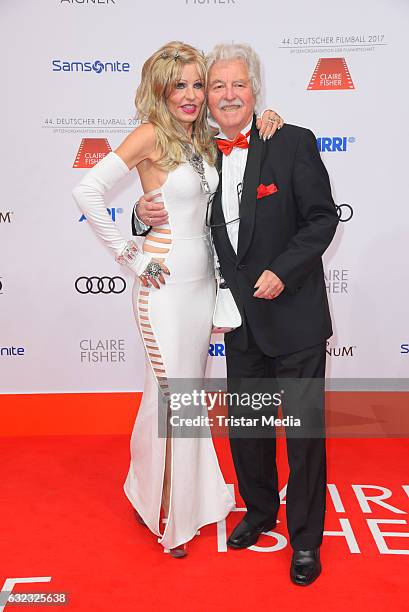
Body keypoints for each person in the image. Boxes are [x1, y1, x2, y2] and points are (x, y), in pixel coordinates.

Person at [134, 42, 338, 584]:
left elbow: (321, 219)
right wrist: (138, 215)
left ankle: (305, 542)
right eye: (215, 85)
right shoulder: (197, 153)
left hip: (294, 317)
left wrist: (285, 271)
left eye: (238, 85)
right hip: (238, 318)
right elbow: (169, 205)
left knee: (302, 435)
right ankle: (259, 512)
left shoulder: (290, 141)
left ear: (256, 92)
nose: (226, 95)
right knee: (248, 428)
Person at [72, 41, 282, 559]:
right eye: (179, 85)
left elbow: (230, 180)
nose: (190, 95)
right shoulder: (149, 135)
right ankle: (164, 509)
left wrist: (269, 118)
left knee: (187, 397)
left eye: (196, 83)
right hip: (162, 288)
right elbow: (87, 191)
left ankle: (182, 496)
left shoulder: (204, 139)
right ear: (160, 90)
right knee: (173, 400)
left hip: (201, 286)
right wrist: (133, 254)